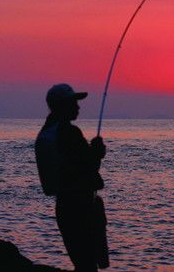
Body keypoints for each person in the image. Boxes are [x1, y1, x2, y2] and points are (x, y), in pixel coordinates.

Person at [35, 83, 109, 272]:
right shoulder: (69, 132)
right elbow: (86, 166)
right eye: (73, 102)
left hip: (65, 205)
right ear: (61, 105)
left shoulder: (47, 132)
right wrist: (97, 152)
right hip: (80, 206)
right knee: (87, 264)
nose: (78, 107)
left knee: (81, 261)